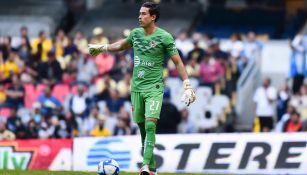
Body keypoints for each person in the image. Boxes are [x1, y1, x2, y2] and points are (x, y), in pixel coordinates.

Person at [88, 2, 196, 175]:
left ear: (153, 17)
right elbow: (121, 45)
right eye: (140, 13)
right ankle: (151, 168)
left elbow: (177, 62)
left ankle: (145, 165)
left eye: (144, 14)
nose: (140, 16)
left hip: (154, 87)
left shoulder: (165, 37)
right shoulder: (135, 34)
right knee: (142, 128)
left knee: (151, 125)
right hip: (136, 88)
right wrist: (102, 48)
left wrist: (187, 85)